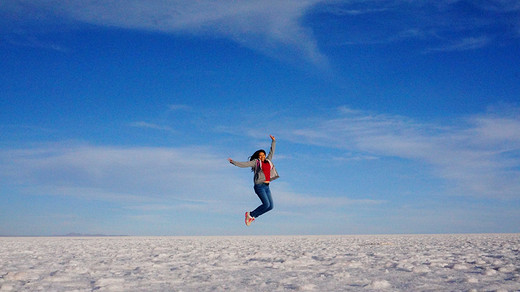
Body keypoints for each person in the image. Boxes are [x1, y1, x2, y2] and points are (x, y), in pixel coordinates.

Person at [228, 135, 279, 226]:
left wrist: (273, 141)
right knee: (266, 204)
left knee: (271, 206)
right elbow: (245, 164)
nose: (262, 157)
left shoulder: (268, 161)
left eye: (263, 155)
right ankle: (250, 214)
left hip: (267, 186)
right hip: (259, 186)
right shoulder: (256, 162)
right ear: (258, 157)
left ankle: (252, 216)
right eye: (260, 156)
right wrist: (234, 162)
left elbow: (272, 152)